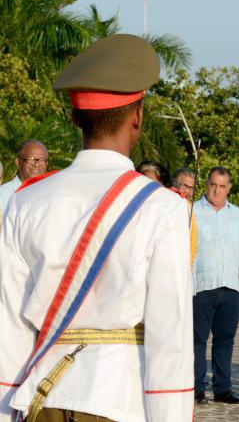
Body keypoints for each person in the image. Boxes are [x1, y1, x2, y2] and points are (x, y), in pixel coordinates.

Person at [0, 33, 193, 422]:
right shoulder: (162, 207)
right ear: (137, 117)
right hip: (120, 400)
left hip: (42, 400)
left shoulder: (25, 201)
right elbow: (169, 337)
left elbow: (7, 326)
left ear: (74, 118)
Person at [192, 167, 239, 406]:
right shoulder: (192, 212)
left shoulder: (237, 215)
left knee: (225, 340)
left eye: (222, 186)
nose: (216, 190)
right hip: (201, 286)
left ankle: (222, 389)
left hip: (230, 288)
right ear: (206, 185)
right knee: (197, 340)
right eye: (212, 185)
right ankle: (197, 388)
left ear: (229, 188)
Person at [0, 140, 49, 215]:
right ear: (18, 162)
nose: (36, 164)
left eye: (42, 160)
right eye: (31, 159)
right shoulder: (2, 195)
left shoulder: (51, 194)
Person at [173, 168, 198, 266]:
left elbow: (192, 241)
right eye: (185, 187)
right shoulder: (168, 203)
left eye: (191, 188)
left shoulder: (190, 207)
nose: (188, 191)